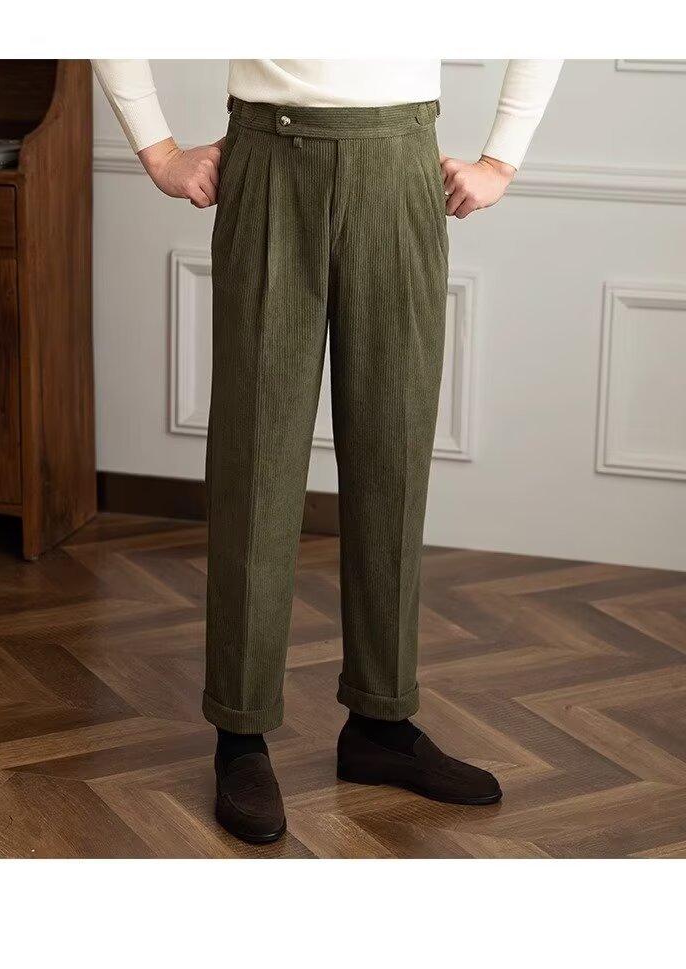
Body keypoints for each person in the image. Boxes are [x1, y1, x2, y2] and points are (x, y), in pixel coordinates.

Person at [93, 58, 563, 844]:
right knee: (256, 462)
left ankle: (382, 722)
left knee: (393, 455)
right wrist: (158, 149)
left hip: (399, 163)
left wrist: (502, 159)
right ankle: (240, 733)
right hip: (269, 163)